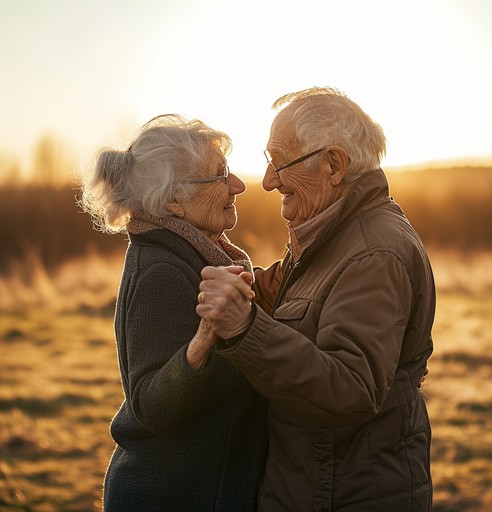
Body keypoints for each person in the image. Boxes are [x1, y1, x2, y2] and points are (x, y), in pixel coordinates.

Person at [196, 87, 436, 511]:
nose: (269, 181)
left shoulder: (373, 253)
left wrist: (245, 329)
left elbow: (352, 388)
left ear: (334, 165)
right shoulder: (328, 237)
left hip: (346, 496)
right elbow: (286, 296)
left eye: (279, 162)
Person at [79, 114, 268, 511]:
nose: (238, 186)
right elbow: (149, 405)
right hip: (168, 498)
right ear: (172, 201)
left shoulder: (196, 255)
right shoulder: (161, 271)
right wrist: (203, 341)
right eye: (219, 176)